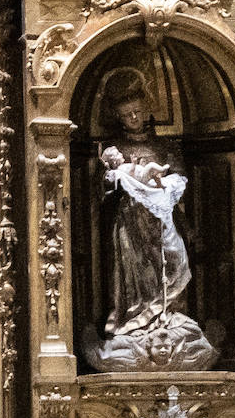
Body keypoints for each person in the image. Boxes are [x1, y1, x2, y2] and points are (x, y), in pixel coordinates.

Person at [84, 68, 216, 371]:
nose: (133, 117)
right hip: (130, 224)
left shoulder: (165, 147)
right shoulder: (113, 149)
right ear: (118, 116)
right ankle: (133, 324)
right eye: (127, 113)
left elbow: (181, 182)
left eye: (138, 111)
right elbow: (101, 188)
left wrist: (163, 185)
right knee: (133, 276)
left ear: (147, 111)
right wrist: (117, 174)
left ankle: (171, 320)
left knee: (176, 263)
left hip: (163, 221)